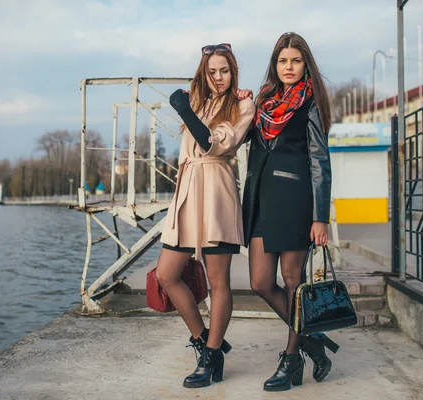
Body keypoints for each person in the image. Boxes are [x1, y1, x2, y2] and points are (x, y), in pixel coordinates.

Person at [240, 32, 339, 392]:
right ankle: (314, 342)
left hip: (296, 199)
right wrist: (238, 103)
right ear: (275, 64)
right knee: (260, 283)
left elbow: (319, 160)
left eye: (295, 61)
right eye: (283, 61)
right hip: (262, 200)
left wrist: (320, 216)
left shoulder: (309, 101)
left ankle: (292, 358)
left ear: (305, 64)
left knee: (293, 281)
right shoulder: (264, 102)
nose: (289, 67)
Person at [156, 42, 256, 388]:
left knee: (218, 282)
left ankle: (211, 357)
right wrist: (189, 103)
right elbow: (191, 137)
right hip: (187, 191)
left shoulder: (243, 103)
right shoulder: (199, 99)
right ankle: (206, 342)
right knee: (166, 274)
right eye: (212, 71)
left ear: (233, 71)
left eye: (224, 70)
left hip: (217, 191)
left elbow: (214, 143)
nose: (218, 77)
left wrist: (184, 110)